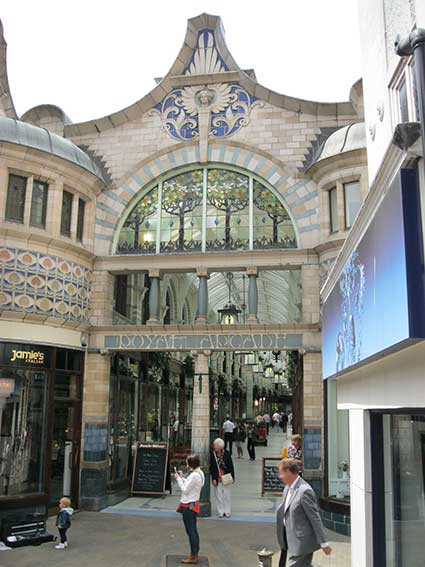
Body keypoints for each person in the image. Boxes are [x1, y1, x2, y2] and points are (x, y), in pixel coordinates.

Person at [277, 458, 332, 567]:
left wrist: (324, 543)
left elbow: (314, 518)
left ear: (288, 472)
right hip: (290, 539)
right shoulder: (287, 489)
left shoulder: (305, 491)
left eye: (281, 473)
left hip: (302, 543)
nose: (280, 476)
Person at [175, 454, 205, 565]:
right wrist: (183, 478)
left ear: (190, 464)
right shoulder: (200, 473)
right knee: (193, 529)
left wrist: (178, 479)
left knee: (190, 530)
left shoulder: (194, 475)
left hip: (188, 505)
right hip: (193, 503)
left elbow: (185, 489)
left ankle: (193, 555)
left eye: (187, 463)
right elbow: (190, 484)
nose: (186, 465)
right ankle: (194, 553)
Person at [210, 438, 235, 518]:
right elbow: (212, 467)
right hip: (218, 477)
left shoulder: (227, 454)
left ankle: (227, 511)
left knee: (227, 494)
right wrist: (213, 478)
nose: (214, 447)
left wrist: (233, 477)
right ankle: (220, 511)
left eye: (216, 446)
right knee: (219, 495)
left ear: (220, 447)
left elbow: (231, 466)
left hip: (226, 476)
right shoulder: (213, 455)